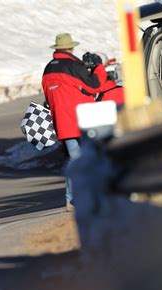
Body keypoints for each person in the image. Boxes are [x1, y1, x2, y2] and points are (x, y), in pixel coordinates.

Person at [42, 33, 116, 212]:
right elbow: (95, 85)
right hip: (82, 119)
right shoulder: (73, 66)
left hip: (62, 122)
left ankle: (71, 200)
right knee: (95, 156)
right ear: (71, 48)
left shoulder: (48, 70)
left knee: (74, 161)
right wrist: (98, 67)